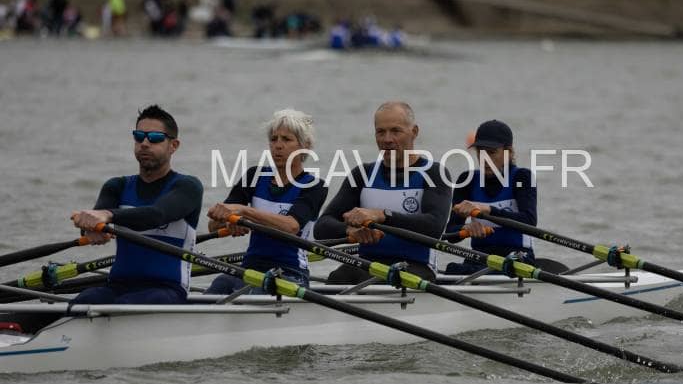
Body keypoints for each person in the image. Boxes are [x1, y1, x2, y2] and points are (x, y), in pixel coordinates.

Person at [69, 105, 203, 304]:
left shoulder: (188, 187)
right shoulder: (117, 186)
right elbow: (96, 219)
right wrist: (90, 228)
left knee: (125, 305)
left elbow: (155, 215)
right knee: (84, 300)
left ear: (173, 145)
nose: (145, 143)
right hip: (118, 286)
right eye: (139, 136)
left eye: (155, 138)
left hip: (167, 290)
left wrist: (107, 216)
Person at [315, 101, 452, 284]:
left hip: (415, 266)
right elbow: (322, 227)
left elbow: (434, 227)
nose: (387, 139)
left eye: (395, 131)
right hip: (368, 264)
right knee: (337, 278)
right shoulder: (362, 174)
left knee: (377, 281)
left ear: (414, 132)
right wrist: (350, 231)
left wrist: (383, 215)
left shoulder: (434, 173)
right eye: (381, 132)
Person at [205, 109, 327, 292]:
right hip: (249, 268)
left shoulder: (315, 186)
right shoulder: (254, 176)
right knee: (220, 284)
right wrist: (229, 222)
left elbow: (291, 226)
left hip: (290, 273)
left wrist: (244, 212)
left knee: (252, 292)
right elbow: (213, 227)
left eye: (286, 139)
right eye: (273, 139)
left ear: (305, 146)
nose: (278, 145)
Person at [445, 120, 567, 275]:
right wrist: (465, 229)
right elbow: (451, 234)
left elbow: (529, 221)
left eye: (491, 152)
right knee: (452, 269)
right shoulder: (466, 180)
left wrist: (488, 209)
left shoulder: (522, 177)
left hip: (517, 259)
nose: (485, 159)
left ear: (508, 152)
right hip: (480, 258)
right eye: (480, 152)